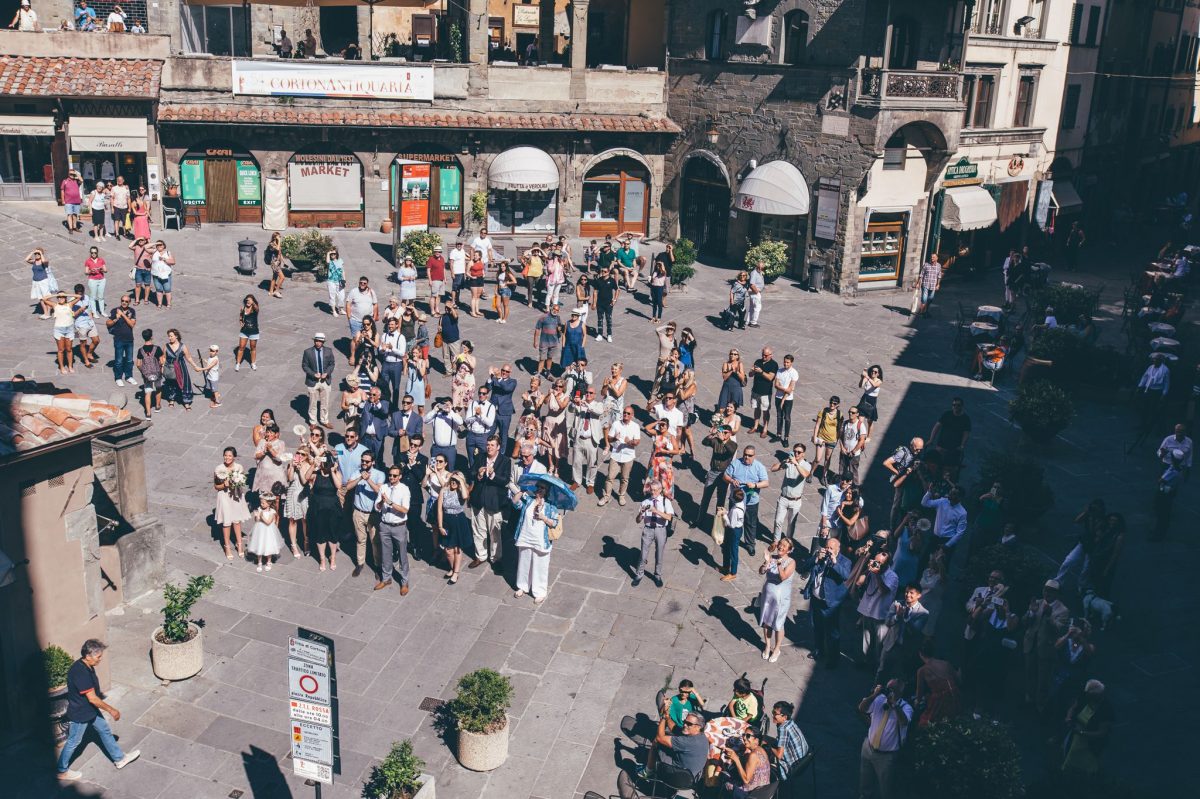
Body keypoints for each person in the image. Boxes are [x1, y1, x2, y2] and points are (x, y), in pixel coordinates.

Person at [55, 640, 140, 782]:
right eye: (98, 657)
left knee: (104, 730)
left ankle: (119, 758)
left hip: (90, 711)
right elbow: (93, 698)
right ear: (88, 656)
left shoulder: (85, 665)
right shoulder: (81, 673)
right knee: (74, 742)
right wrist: (111, 710)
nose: (100, 659)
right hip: (81, 714)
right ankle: (61, 770)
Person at [857, 680, 911, 799]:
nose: (890, 693)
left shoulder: (906, 707)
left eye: (893, 690)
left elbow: (904, 722)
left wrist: (895, 705)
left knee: (886, 788)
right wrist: (874, 694)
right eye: (888, 689)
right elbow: (861, 708)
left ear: (900, 693)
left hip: (887, 756)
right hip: (868, 747)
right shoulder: (879, 699)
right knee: (865, 779)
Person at [803, 536, 852, 666]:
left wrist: (835, 562)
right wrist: (816, 558)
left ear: (837, 549)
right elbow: (805, 567)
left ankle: (833, 658)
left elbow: (846, 575)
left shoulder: (844, 561)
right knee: (817, 626)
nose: (828, 550)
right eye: (827, 547)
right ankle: (819, 650)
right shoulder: (820, 556)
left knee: (832, 632)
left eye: (831, 548)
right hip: (816, 598)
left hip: (831, 602)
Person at [1024, 579, 1070, 713]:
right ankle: (1029, 699)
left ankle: (1040, 705)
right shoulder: (1037, 603)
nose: (1047, 593)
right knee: (1029, 673)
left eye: (1051, 591)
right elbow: (1025, 622)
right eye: (1045, 590)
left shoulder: (1063, 611)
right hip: (1030, 645)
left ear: (1057, 594)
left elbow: (1059, 630)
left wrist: (1049, 617)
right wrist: (1031, 613)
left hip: (1046, 649)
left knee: (1043, 679)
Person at [512, 483, 559, 604]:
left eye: (542, 488)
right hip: (525, 537)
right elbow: (515, 502)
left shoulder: (550, 506)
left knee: (540, 566)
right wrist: (521, 491)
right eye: (538, 487)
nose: (539, 490)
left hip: (540, 540)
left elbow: (554, 523)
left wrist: (543, 517)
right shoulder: (529, 500)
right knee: (524, 563)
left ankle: (539, 592)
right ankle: (522, 586)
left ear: (547, 491)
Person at [469, 435, 511, 567]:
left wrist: (493, 475)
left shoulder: (505, 461)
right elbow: (471, 472)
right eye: (488, 445)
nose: (489, 447)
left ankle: (496, 558)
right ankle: (480, 555)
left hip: (494, 502)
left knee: (495, 533)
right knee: (478, 530)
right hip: (478, 500)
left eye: (492, 445)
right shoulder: (480, 457)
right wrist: (479, 475)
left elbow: (505, 480)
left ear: (498, 447)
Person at [344, 451, 384, 578]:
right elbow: (348, 486)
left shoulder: (379, 474)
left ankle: (377, 565)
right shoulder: (357, 472)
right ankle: (360, 563)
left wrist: (368, 480)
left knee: (375, 541)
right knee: (360, 539)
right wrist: (361, 477)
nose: (364, 463)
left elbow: (379, 490)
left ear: (373, 462)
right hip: (358, 512)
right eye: (362, 461)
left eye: (367, 461)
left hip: (373, 514)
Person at [1061, 680, 1113, 777]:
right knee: (1070, 750)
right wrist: (1068, 718)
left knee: (1087, 761)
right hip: (1077, 732)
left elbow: (1101, 733)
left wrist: (1082, 733)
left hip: (1091, 741)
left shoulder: (1106, 710)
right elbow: (1073, 708)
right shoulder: (1085, 696)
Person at [757, 537, 796, 662]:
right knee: (766, 622)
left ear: (789, 550)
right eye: (780, 544)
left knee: (778, 624)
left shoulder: (791, 562)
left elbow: (783, 577)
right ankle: (767, 646)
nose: (780, 547)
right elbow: (761, 572)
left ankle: (777, 648)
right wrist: (766, 563)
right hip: (768, 596)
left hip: (781, 599)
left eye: (784, 546)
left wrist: (778, 564)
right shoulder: (772, 558)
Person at [724, 446, 769, 555]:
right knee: (732, 521)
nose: (746, 457)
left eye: (749, 455)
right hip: (736, 500)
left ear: (754, 456)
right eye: (745, 454)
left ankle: (750, 544)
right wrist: (732, 480)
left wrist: (755, 485)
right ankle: (730, 540)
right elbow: (725, 476)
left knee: (750, 523)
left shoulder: (759, 467)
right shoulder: (735, 463)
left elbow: (766, 483)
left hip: (751, 501)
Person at [856, 551, 898, 668]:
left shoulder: (892, 576)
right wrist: (867, 570)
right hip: (868, 610)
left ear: (887, 564)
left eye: (880, 563)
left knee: (880, 643)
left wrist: (878, 574)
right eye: (876, 561)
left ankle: (878, 666)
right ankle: (865, 661)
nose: (877, 564)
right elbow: (859, 582)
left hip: (881, 614)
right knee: (866, 638)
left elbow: (884, 590)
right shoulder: (872, 572)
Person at [375, 465, 411, 594]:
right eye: (390, 475)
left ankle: (404, 581)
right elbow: (377, 506)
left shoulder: (404, 490)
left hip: (399, 526)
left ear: (400, 476)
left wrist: (390, 503)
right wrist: (380, 503)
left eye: (394, 475)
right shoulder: (384, 488)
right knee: (385, 553)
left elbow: (405, 509)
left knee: (402, 555)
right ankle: (386, 578)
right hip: (385, 525)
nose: (391, 477)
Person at [633, 479, 674, 588]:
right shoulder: (646, 502)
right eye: (651, 490)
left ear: (660, 490)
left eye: (655, 490)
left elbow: (669, 517)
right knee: (643, 554)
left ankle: (657, 575)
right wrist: (641, 514)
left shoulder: (666, 502)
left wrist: (656, 511)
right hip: (648, 529)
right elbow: (637, 521)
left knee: (659, 554)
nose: (653, 493)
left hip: (661, 530)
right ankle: (639, 574)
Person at [306, 452, 342, 571]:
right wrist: (313, 465)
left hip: (332, 507)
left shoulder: (336, 473)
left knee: (332, 534)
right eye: (323, 462)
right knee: (320, 533)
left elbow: (338, 485)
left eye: (327, 462)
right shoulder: (316, 474)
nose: (325, 464)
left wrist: (332, 471)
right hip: (318, 507)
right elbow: (306, 478)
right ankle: (322, 558)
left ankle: (333, 558)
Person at [599, 405, 641, 506]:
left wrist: (629, 441)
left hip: (628, 456)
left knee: (624, 478)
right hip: (616, 455)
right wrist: (614, 439)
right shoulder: (616, 424)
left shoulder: (635, 426)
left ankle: (621, 495)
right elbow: (609, 438)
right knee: (610, 477)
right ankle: (606, 496)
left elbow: (637, 442)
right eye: (624, 413)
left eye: (628, 413)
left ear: (632, 415)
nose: (625, 415)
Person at [770, 443, 811, 544]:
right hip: (784, 498)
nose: (796, 453)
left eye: (799, 452)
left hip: (795, 500)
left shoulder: (806, 465)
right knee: (778, 521)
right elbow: (773, 468)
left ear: (803, 454)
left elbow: (805, 474)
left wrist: (796, 464)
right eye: (795, 451)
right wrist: (784, 462)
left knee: (791, 524)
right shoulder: (788, 462)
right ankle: (776, 541)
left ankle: (788, 542)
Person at [214, 447, 251, 559]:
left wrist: (237, 482)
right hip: (224, 496)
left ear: (234, 457)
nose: (227, 458)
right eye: (225, 455)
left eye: (230, 456)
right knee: (226, 522)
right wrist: (224, 485)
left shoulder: (239, 467)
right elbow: (216, 486)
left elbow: (243, 480)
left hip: (236, 495)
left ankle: (239, 545)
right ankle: (227, 547)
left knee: (237, 520)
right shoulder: (219, 469)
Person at [437, 472, 472, 584]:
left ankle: (455, 572)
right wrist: (440, 526)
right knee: (448, 550)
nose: (453, 482)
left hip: (459, 521)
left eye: (456, 481)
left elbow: (466, 496)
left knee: (457, 548)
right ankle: (452, 568)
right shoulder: (444, 490)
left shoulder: (462, 491)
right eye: (452, 480)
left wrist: (461, 481)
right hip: (447, 521)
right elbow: (439, 510)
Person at [569, 387, 605, 493]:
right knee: (576, 461)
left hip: (591, 439)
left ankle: (590, 483)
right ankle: (577, 480)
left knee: (592, 463)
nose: (588, 394)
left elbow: (598, 412)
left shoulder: (598, 405)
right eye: (587, 392)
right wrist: (574, 403)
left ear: (594, 395)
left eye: (591, 393)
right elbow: (571, 409)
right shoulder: (581, 403)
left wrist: (586, 405)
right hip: (579, 438)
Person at [928, 397, 971, 479]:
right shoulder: (947, 414)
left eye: (958, 405)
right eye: (954, 405)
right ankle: (934, 480)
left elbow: (966, 433)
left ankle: (947, 482)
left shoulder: (965, 419)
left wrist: (962, 445)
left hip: (954, 449)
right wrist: (931, 439)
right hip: (941, 446)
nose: (955, 407)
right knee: (937, 464)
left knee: (950, 468)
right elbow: (937, 426)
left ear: (962, 406)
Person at [722, 728, 771, 796]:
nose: (744, 738)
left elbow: (746, 780)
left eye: (748, 736)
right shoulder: (761, 749)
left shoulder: (753, 755)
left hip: (751, 793)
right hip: (763, 791)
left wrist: (736, 759)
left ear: (756, 740)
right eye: (743, 735)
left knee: (724, 777)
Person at [302, 333, 336, 428]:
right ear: (314, 341)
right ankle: (313, 422)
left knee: (325, 402)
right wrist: (313, 374)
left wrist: (327, 373)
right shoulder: (308, 352)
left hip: (325, 381)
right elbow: (305, 365)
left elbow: (332, 364)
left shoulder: (328, 351)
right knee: (312, 403)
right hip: (313, 381)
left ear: (323, 342)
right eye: (316, 341)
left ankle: (324, 420)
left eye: (320, 341)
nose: (318, 343)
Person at [1151, 449, 1186, 540]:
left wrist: (1160, 477)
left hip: (1165, 493)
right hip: (1169, 492)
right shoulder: (1178, 468)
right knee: (1163, 513)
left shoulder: (1173, 471)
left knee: (1162, 514)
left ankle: (1158, 534)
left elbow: (1160, 480)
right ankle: (1159, 532)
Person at [246, 492, 286, 572]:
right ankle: (259, 562)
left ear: (269, 503)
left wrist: (261, 516)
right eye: (261, 502)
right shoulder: (260, 509)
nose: (261, 504)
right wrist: (256, 516)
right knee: (259, 545)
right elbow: (256, 521)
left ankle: (269, 561)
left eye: (263, 503)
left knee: (268, 545)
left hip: (268, 531)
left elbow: (268, 522)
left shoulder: (272, 512)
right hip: (260, 530)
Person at [161, 328, 199, 410]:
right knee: (171, 383)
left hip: (181, 367)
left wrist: (195, 366)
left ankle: (186, 402)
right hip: (170, 367)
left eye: (171, 336)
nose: (169, 338)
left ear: (176, 336)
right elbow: (163, 357)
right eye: (168, 336)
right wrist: (162, 367)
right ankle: (171, 399)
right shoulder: (166, 346)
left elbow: (188, 357)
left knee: (185, 384)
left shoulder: (183, 346)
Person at [747, 347, 778, 439]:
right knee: (756, 409)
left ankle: (765, 429)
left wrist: (761, 372)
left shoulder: (774, 364)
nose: (764, 356)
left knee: (765, 411)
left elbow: (770, 378)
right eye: (763, 354)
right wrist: (752, 371)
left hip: (766, 392)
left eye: (766, 355)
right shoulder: (758, 361)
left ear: (771, 355)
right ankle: (755, 426)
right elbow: (750, 375)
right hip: (755, 390)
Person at [810, 396, 842, 484]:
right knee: (818, 458)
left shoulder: (839, 415)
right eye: (831, 402)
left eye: (834, 403)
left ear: (837, 405)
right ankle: (811, 472)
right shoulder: (823, 412)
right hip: (821, 438)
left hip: (832, 440)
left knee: (827, 459)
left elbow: (839, 428)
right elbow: (817, 425)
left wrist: (837, 439)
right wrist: (815, 437)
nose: (832, 404)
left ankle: (824, 476)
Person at [134, 329, 164, 417]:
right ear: (151, 337)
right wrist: (160, 368)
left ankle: (148, 413)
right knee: (158, 388)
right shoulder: (157, 348)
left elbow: (138, 364)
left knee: (148, 392)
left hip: (146, 375)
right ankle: (157, 406)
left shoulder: (140, 350)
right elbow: (161, 361)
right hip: (157, 373)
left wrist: (143, 371)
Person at [839, 406, 869, 484]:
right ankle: (842, 485)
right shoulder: (845, 423)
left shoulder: (860, 425)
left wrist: (853, 451)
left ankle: (855, 488)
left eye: (853, 412)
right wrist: (842, 448)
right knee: (842, 470)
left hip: (854, 454)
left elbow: (862, 440)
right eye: (849, 412)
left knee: (853, 472)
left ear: (857, 414)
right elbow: (840, 437)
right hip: (844, 452)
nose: (850, 414)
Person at [590, 265, 621, 343]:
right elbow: (595, 292)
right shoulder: (598, 280)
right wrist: (594, 303)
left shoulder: (612, 280)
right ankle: (600, 334)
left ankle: (609, 335)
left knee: (608, 319)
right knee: (600, 319)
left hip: (608, 304)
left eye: (605, 271)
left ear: (608, 272)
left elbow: (617, 290)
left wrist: (614, 300)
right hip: (599, 303)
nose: (603, 273)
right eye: (602, 271)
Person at [533, 303, 563, 378]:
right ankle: (539, 373)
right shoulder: (543, 317)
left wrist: (560, 329)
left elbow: (560, 329)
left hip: (554, 342)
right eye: (554, 309)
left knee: (550, 358)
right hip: (544, 342)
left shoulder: (558, 318)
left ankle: (548, 372)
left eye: (557, 310)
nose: (555, 311)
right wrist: (535, 341)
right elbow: (537, 329)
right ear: (551, 309)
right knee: (542, 358)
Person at [235, 294, 260, 372]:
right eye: (247, 300)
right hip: (244, 331)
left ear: (253, 301)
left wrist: (252, 302)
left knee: (253, 347)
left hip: (254, 331)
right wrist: (240, 322)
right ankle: (238, 363)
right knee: (241, 347)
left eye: (250, 300)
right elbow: (240, 318)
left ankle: (253, 363)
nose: (248, 302)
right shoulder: (242, 308)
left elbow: (256, 307)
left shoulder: (255, 308)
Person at [149, 240, 175, 308]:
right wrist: (155, 243)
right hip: (156, 274)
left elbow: (173, 262)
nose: (159, 246)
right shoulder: (154, 252)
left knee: (167, 289)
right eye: (158, 245)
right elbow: (145, 247)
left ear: (164, 246)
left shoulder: (167, 252)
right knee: (158, 289)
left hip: (166, 275)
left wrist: (164, 259)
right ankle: (159, 304)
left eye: (161, 245)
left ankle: (168, 304)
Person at [84, 245, 107, 318]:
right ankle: (94, 312)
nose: (93, 254)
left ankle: (102, 311)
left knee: (101, 296)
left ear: (97, 253)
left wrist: (101, 270)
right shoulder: (88, 261)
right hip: (92, 280)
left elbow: (106, 270)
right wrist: (91, 271)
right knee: (93, 297)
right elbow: (86, 272)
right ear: (90, 253)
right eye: (92, 252)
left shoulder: (101, 260)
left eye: (95, 252)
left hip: (101, 280)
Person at [61, 169, 83, 233]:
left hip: (76, 201)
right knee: (69, 214)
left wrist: (76, 173)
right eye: (71, 174)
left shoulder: (76, 181)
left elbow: (82, 180)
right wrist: (63, 200)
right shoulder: (65, 181)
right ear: (68, 174)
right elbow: (62, 191)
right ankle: (70, 228)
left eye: (73, 174)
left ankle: (75, 227)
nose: (72, 175)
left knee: (75, 215)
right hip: (68, 201)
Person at [325, 249, 346, 315]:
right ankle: (334, 311)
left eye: (334, 254)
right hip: (331, 281)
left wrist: (344, 279)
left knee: (342, 296)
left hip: (339, 281)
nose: (332, 255)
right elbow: (327, 261)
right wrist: (328, 252)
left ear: (336, 254)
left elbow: (343, 270)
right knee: (332, 296)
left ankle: (340, 309)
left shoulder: (340, 260)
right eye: (331, 254)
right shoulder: (330, 262)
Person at [265, 232, 286, 297]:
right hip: (274, 263)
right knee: (282, 277)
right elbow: (277, 249)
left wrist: (284, 261)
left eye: (280, 237)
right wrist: (279, 241)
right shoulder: (271, 244)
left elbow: (279, 252)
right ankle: (276, 291)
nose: (279, 238)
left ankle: (271, 292)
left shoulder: (277, 243)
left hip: (278, 262)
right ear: (274, 237)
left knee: (274, 277)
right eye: (278, 237)